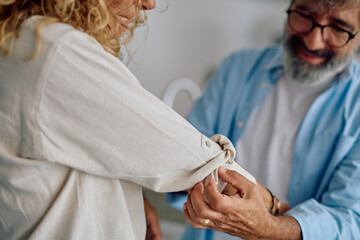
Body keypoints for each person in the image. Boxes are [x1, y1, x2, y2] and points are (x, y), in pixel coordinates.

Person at [0, 0, 257, 239]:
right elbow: (199, 164)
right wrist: (278, 209)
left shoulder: (16, 38)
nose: (150, 3)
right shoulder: (56, 51)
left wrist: (125, 197)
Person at [168, 0, 360, 239]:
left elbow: (351, 222)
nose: (313, 41)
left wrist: (268, 221)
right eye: (303, 15)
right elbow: (183, 158)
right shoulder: (235, 69)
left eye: (338, 28)